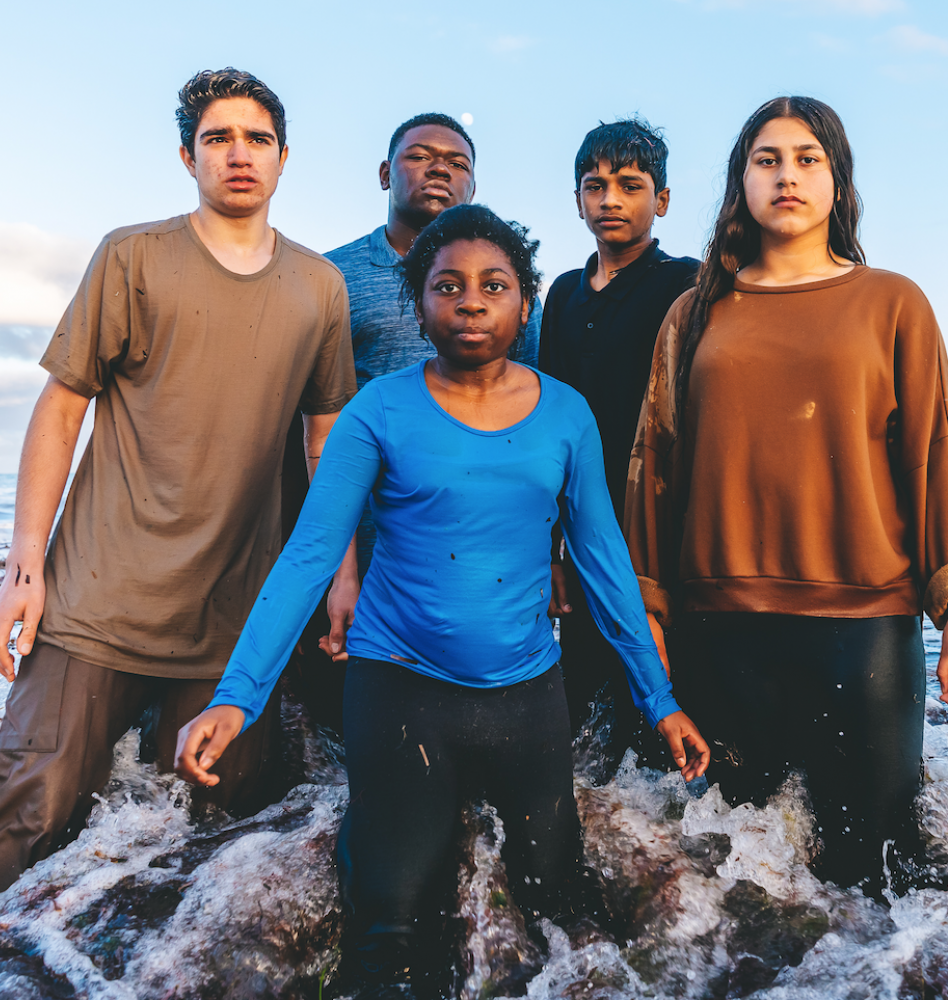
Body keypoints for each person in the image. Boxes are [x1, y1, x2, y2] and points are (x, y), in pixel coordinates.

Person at [175, 204, 708, 989]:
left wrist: (659, 699)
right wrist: (236, 698)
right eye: (447, 286)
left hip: (526, 694)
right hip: (400, 687)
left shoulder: (566, 414)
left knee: (558, 902)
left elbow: (603, 564)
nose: (470, 301)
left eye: (493, 285)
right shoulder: (378, 411)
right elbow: (310, 557)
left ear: (523, 303)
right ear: (419, 305)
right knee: (389, 921)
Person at [0, 68, 356, 896]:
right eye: (218, 138)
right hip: (95, 601)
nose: (238, 155)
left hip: (230, 616)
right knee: (28, 817)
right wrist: (23, 571)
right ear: (187, 155)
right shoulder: (133, 256)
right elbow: (62, 406)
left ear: (285, 158)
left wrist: (344, 574)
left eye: (257, 138)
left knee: (203, 839)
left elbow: (327, 439)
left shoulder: (318, 289)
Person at [625, 95, 948, 891]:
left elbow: (934, 460)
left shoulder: (892, 302)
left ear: (838, 182)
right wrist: (649, 611)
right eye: (767, 160)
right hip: (721, 629)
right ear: (742, 184)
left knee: (874, 878)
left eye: (808, 159)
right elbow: (654, 467)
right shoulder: (694, 312)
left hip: (864, 627)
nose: (788, 176)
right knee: (740, 876)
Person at [289, 113, 542, 728]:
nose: (439, 170)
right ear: (384, 173)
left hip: (476, 550)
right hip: (366, 542)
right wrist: (335, 568)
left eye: (457, 163)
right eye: (420, 156)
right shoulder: (331, 277)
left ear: (473, 187)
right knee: (354, 732)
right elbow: (311, 420)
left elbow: (527, 417)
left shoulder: (508, 291)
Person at [539, 118, 698, 758]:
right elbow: (544, 421)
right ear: (576, 200)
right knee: (583, 699)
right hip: (582, 521)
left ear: (660, 200)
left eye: (630, 185)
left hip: (663, 520)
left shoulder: (687, 284)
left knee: (666, 679)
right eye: (594, 185)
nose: (610, 199)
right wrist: (549, 549)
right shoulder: (561, 295)